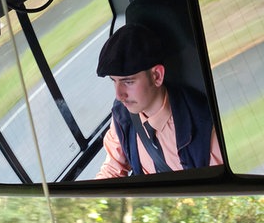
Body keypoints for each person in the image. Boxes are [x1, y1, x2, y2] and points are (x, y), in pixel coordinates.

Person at [95, 24, 223, 178]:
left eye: (128, 82)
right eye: (113, 81)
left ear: (157, 76)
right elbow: (112, 171)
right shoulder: (122, 117)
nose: (119, 95)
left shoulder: (204, 127)